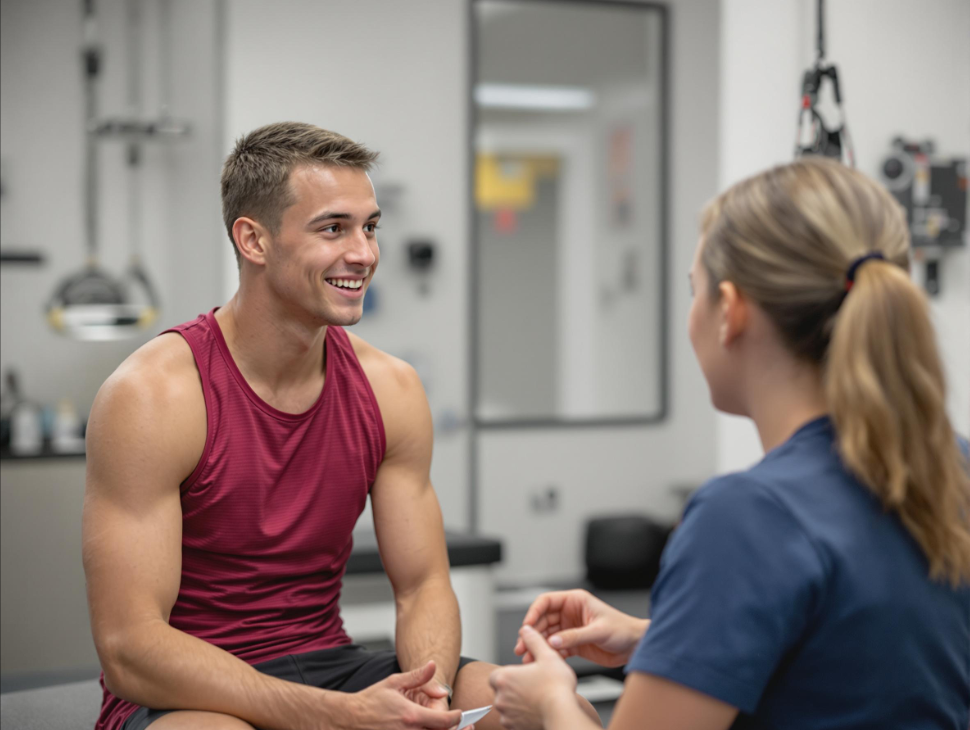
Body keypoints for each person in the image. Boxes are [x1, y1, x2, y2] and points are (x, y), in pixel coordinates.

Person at [82, 122, 546, 730]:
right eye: (334, 228)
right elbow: (129, 648)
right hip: (192, 689)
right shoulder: (153, 396)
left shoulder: (391, 389)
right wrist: (336, 717)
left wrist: (424, 695)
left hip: (331, 664)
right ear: (253, 240)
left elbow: (424, 584)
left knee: (545, 709)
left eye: (371, 227)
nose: (365, 253)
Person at [489, 157, 970, 730]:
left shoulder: (746, 518)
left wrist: (550, 704)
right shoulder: (950, 468)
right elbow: (866, 655)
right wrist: (663, 641)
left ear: (730, 313)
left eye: (696, 292)